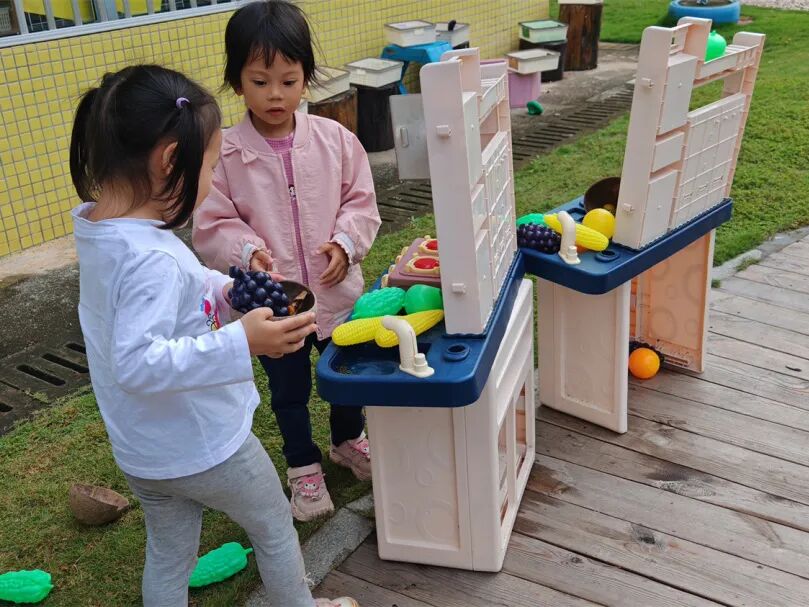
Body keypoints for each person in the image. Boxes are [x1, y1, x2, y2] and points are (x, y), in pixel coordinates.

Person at [70, 64, 358, 607]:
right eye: (208, 165)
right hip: (205, 446)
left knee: (169, 553)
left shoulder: (105, 233)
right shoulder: (149, 259)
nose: (209, 180)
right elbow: (137, 362)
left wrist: (229, 290)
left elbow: (182, 285)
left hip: (144, 452)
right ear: (170, 162)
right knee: (273, 527)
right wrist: (241, 340)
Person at [193, 0, 381, 522]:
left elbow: (361, 202)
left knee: (348, 375)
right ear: (237, 83)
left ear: (307, 79)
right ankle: (303, 467)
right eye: (259, 81)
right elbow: (213, 222)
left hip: (337, 296)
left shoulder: (336, 141)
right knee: (289, 392)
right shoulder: (225, 155)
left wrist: (345, 243)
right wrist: (247, 252)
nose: (274, 94)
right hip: (276, 308)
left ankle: (348, 440)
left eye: (288, 80)